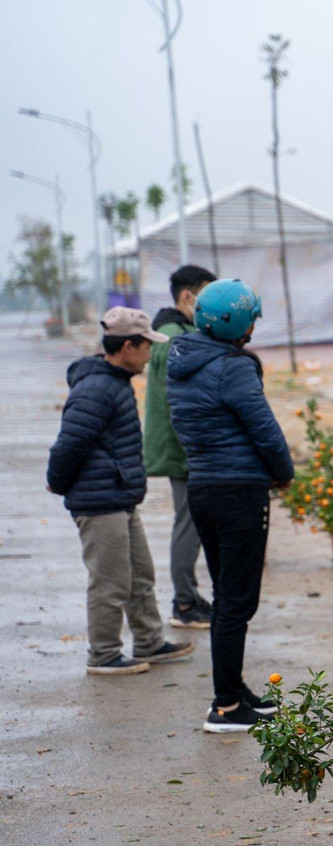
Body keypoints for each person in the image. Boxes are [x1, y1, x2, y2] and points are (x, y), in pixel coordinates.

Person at [167, 280, 294, 733]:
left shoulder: (182, 360)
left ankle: (235, 690)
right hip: (239, 492)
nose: (255, 325)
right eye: (252, 318)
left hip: (204, 487)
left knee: (228, 597)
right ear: (238, 322)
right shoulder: (233, 367)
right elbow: (264, 429)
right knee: (237, 600)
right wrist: (285, 471)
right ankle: (224, 706)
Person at [46, 309, 198, 675]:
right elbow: (70, 443)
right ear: (128, 346)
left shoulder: (114, 381)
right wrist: (60, 482)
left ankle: (148, 642)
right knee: (110, 583)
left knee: (140, 577)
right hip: (99, 503)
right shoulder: (97, 387)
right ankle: (104, 654)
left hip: (119, 498)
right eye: (146, 347)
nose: (150, 355)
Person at [144, 264, 218, 629]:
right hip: (183, 447)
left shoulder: (176, 330)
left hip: (184, 445)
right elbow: (178, 400)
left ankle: (188, 597)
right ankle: (184, 604)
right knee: (188, 525)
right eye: (207, 296)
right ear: (188, 296)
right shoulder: (173, 336)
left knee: (192, 523)